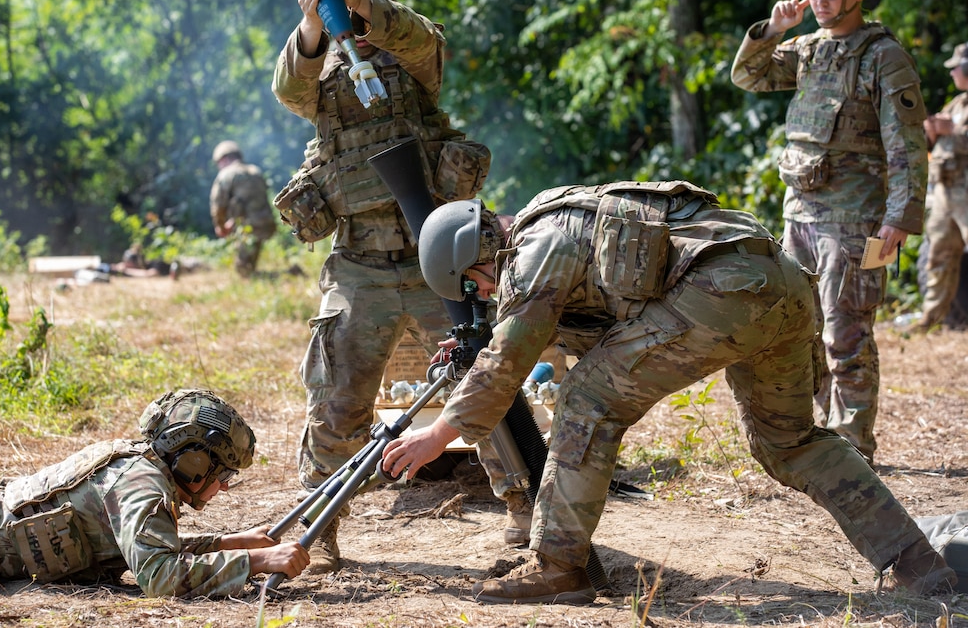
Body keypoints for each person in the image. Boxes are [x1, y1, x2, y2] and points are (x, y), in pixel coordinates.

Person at [380, 183, 956, 604]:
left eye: (476, 286)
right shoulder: (555, 222)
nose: (484, 295)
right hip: (778, 284)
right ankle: (922, 568)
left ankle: (558, 566)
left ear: (480, 254)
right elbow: (597, 323)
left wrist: (436, 435)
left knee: (587, 398)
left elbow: (509, 361)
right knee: (791, 442)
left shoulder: (534, 249)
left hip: (722, 293)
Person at [269, 0, 521, 574]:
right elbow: (286, 87)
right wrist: (311, 28)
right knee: (335, 399)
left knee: (482, 378)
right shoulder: (321, 74)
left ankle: (525, 509)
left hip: (437, 254)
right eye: (334, 7)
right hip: (358, 262)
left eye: (350, 6)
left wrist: (358, 2)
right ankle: (321, 527)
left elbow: (419, 35)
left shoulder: (412, 59)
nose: (343, 21)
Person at [730, 0, 929, 463]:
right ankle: (825, 432)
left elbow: (906, 145)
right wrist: (773, 31)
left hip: (855, 221)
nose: (819, 1)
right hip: (800, 214)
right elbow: (748, 75)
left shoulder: (883, 58)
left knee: (847, 332)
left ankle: (854, 443)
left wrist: (900, 219)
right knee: (799, 329)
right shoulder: (808, 48)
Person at [0, 389, 309, 596]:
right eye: (224, 474)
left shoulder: (144, 470)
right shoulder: (143, 486)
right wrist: (254, 561)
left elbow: (140, 546)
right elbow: (159, 576)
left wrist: (228, 543)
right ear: (195, 464)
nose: (225, 486)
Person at [916, 43, 968, 330]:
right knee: (937, 256)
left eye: (956, 67)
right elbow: (931, 146)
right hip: (947, 193)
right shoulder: (957, 104)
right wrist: (932, 131)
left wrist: (954, 131)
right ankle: (933, 319)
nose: (952, 73)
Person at [209, 140, 277, 278]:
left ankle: (281, 275)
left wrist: (220, 226)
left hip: (245, 228)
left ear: (224, 159)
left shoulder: (226, 174)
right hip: (265, 224)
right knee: (249, 267)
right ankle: (278, 275)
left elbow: (218, 205)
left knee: (244, 272)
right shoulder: (255, 170)